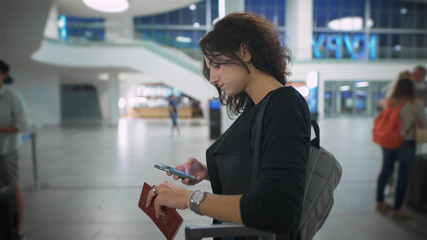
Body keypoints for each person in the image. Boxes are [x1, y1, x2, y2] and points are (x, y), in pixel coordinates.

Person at [146, 12, 311, 238]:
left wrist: (189, 199)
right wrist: (209, 171)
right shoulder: (258, 107)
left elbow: (278, 209)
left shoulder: (284, 105)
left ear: (244, 51)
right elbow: (262, 167)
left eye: (216, 65)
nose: (212, 78)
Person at [375, 77, 426, 220]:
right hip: (405, 143)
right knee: (403, 176)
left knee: (385, 171)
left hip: (387, 141)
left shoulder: (390, 102)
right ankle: (397, 209)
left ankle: (380, 202)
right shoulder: (416, 103)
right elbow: (423, 124)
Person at [0, 60, 31, 238]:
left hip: (7, 151)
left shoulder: (12, 96)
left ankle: (16, 230)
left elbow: (24, 124)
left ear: (4, 75)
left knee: (12, 188)